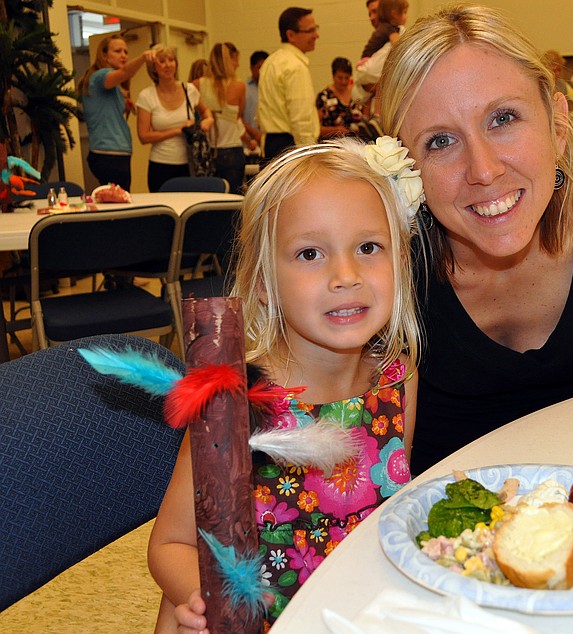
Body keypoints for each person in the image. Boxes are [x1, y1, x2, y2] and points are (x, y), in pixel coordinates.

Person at [379, 4, 573, 474]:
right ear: (404, 167)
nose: (483, 170)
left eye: (503, 118)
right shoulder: (388, 264)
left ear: (557, 124)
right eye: (440, 141)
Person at [149, 136, 422, 629]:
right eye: (310, 253)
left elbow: (390, 513)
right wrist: (203, 597)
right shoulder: (235, 397)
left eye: (368, 247)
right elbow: (171, 544)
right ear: (261, 281)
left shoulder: (398, 378)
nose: (346, 274)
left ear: (400, 260)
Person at [78, 35, 156, 190]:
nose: (124, 55)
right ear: (104, 55)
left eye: (126, 52)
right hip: (108, 154)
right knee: (118, 204)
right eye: (118, 51)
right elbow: (126, 72)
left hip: (116, 153)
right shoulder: (99, 75)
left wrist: (123, 103)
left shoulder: (112, 85)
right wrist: (142, 58)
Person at [137, 44, 214, 193]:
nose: (168, 65)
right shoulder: (146, 96)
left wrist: (208, 120)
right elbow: (144, 136)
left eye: (171, 60)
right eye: (162, 61)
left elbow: (206, 112)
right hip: (161, 165)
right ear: (153, 67)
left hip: (190, 163)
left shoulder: (189, 90)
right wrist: (178, 130)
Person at [257, 7, 320, 163]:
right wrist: (309, 157)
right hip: (290, 146)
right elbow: (301, 120)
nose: (316, 35)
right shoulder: (295, 66)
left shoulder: (271, 62)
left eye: (316, 29)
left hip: (272, 144)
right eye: (310, 31)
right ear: (291, 35)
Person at [195, 42, 252, 193]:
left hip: (207, 151)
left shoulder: (197, 85)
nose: (238, 64)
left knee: (208, 201)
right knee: (233, 202)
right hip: (232, 150)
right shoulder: (239, 86)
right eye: (236, 60)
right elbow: (238, 117)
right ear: (228, 60)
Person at [316, 57, 369, 139]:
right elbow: (316, 129)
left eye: (347, 78)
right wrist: (335, 130)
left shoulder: (357, 94)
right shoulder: (324, 97)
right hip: (334, 144)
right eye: (340, 78)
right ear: (333, 76)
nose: (344, 82)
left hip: (357, 143)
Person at [244, 50, 269, 152]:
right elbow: (237, 118)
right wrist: (255, 134)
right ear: (251, 68)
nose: (262, 71)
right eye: (259, 67)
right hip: (248, 144)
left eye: (265, 67)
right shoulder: (244, 88)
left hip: (269, 141)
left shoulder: (273, 88)